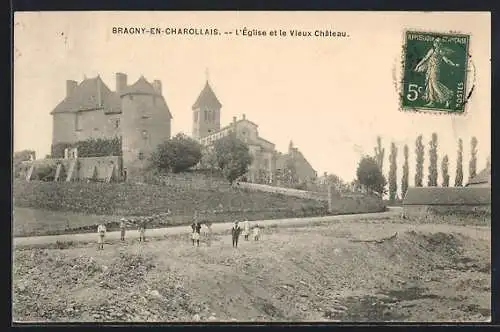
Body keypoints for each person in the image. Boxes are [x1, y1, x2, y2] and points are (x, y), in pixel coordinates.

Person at [414, 37, 459, 108]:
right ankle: (432, 101)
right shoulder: (432, 50)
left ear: (440, 44)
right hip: (430, 69)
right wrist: (418, 65)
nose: (436, 44)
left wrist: (454, 64)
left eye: (438, 42)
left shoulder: (441, 51)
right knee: (430, 84)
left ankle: (447, 98)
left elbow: (446, 60)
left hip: (435, 70)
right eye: (435, 42)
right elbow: (425, 58)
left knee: (435, 85)